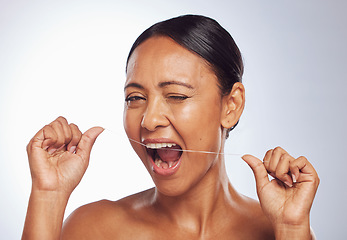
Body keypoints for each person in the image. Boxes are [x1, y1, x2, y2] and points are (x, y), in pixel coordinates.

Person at [22, 15, 319, 239]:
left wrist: (292, 228)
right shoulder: (94, 228)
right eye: (135, 98)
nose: (149, 120)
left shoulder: (277, 229)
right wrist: (48, 195)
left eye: (176, 96)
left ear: (231, 106)